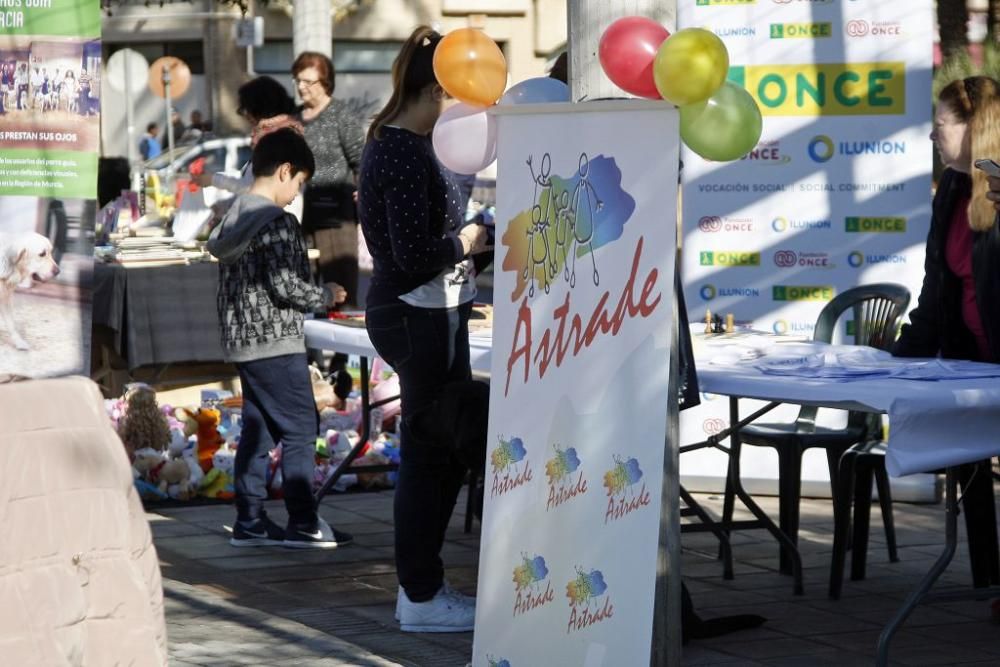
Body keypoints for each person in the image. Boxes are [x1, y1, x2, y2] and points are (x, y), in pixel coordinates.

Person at [358, 25, 490, 633]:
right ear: (439, 87)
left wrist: (471, 252)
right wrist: (465, 241)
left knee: (438, 453)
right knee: (431, 456)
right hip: (417, 313)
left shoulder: (402, 144)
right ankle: (421, 595)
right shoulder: (404, 150)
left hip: (430, 311)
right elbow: (413, 253)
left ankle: (424, 590)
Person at [206, 127, 353, 550]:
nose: (296, 194)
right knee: (301, 428)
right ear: (285, 171)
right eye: (299, 183)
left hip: (243, 341)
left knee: (261, 426)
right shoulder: (277, 222)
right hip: (275, 340)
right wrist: (324, 294)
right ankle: (304, 521)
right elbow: (286, 284)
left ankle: (250, 519)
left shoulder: (232, 215)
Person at [895, 75, 1000, 587]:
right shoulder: (952, 189)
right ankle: (988, 580)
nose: (933, 136)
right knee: (972, 464)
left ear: (974, 128)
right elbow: (936, 285)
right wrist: (903, 355)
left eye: (940, 126)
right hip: (970, 362)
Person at [292, 51, 366, 307]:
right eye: (298, 80)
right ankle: (309, 348)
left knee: (341, 297)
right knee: (305, 292)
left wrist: (364, 196)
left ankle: (342, 348)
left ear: (325, 83)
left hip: (338, 220)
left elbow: (362, 161)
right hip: (302, 217)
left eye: (308, 82)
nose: (301, 87)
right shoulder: (294, 118)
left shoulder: (342, 116)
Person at [193, 76, 304, 220]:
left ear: (261, 107)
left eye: (246, 109)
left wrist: (213, 180)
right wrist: (225, 205)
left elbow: (257, 188)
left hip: (276, 225)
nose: (245, 116)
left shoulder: (279, 139)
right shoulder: (278, 134)